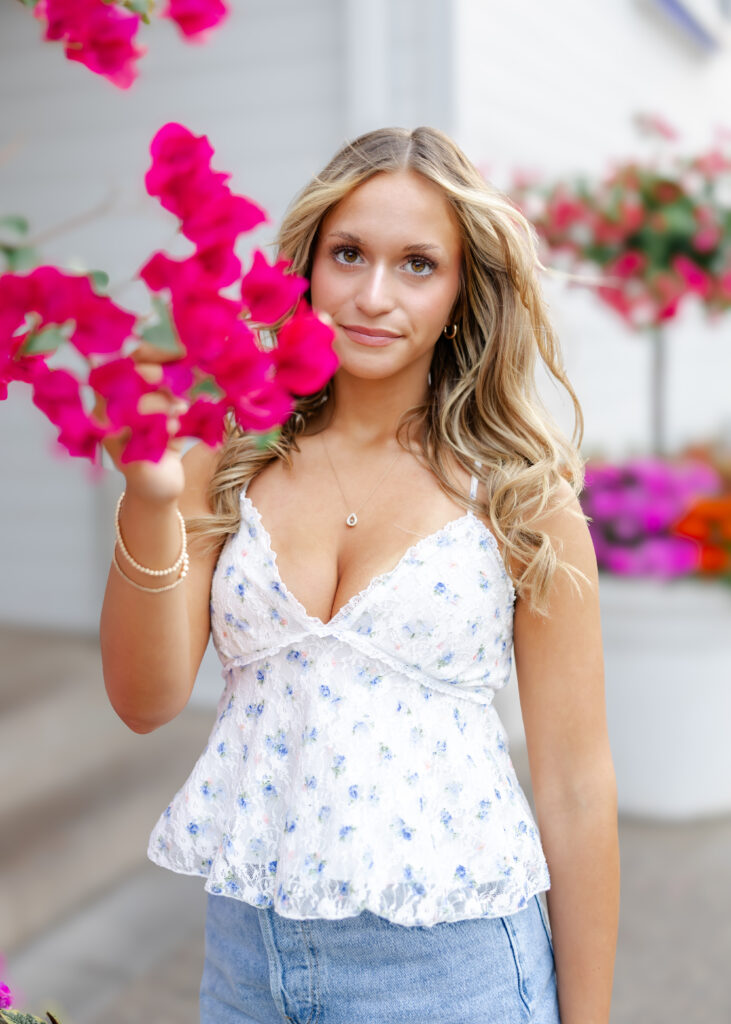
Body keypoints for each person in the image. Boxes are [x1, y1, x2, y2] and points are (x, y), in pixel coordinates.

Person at [100, 126, 619, 1024]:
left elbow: (574, 785)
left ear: (462, 291)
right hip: (247, 964)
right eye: (349, 255)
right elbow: (145, 703)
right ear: (307, 266)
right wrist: (148, 499)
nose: (373, 296)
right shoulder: (225, 461)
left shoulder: (522, 498)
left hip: (454, 973)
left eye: (418, 264)